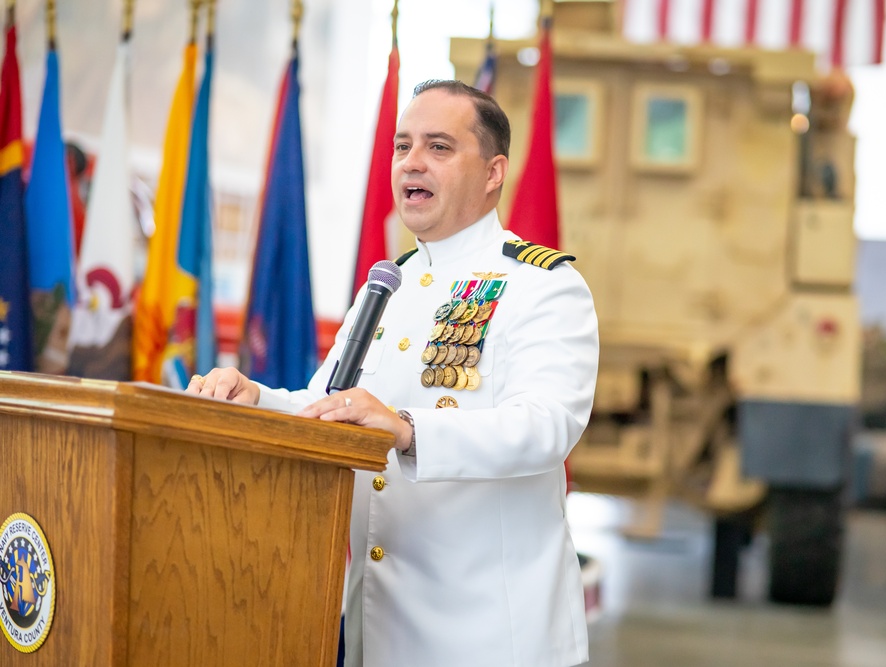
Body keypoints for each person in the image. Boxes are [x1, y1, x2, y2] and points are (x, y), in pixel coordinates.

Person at [187, 79, 599, 667]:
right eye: (402, 146)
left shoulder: (543, 285)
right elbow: (329, 409)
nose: (411, 162)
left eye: (438, 147)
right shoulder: (387, 284)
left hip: (492, 639)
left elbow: (547, 427)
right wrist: (253, 398)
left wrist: (407, 428)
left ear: (493, 172)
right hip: (378, 631)